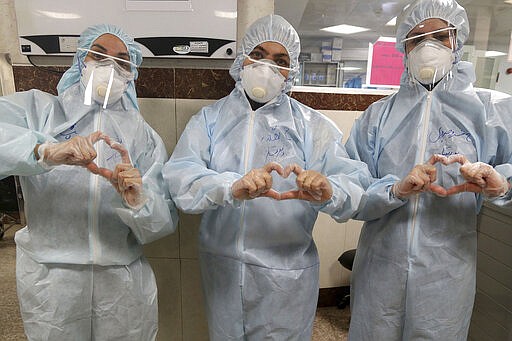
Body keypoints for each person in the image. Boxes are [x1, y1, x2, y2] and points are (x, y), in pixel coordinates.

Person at [162, 14, 371, 340]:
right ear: (242, 58)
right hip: (224, 268)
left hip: (286, 274)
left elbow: (356, 184)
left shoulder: (311, 126)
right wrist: (230, 186)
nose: (266, 67)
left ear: (292, 70)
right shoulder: (210, 120)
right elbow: (181, 177)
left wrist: (328, 189)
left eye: (280, 60)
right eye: (257, 55)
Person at [345, 0, 512, 340]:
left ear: (457, 41)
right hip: (381, 262)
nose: (427, 45)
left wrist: (500, 183)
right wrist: (394, 190)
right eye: (416, 37)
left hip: (447, 266)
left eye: (439, 36)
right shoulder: (377, 117)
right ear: (403, 48)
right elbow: (350, 188)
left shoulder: (490, 111)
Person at [0, 24, 178, 340]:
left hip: (120, 284)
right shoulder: (40, 111)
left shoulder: (142, 137)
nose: (110, 67)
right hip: (52, 282)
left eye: (122, 61)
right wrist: (42, 150)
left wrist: (138, 200)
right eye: (99, 55)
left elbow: (160, 225)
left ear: (131, 73)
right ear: (81, 60)